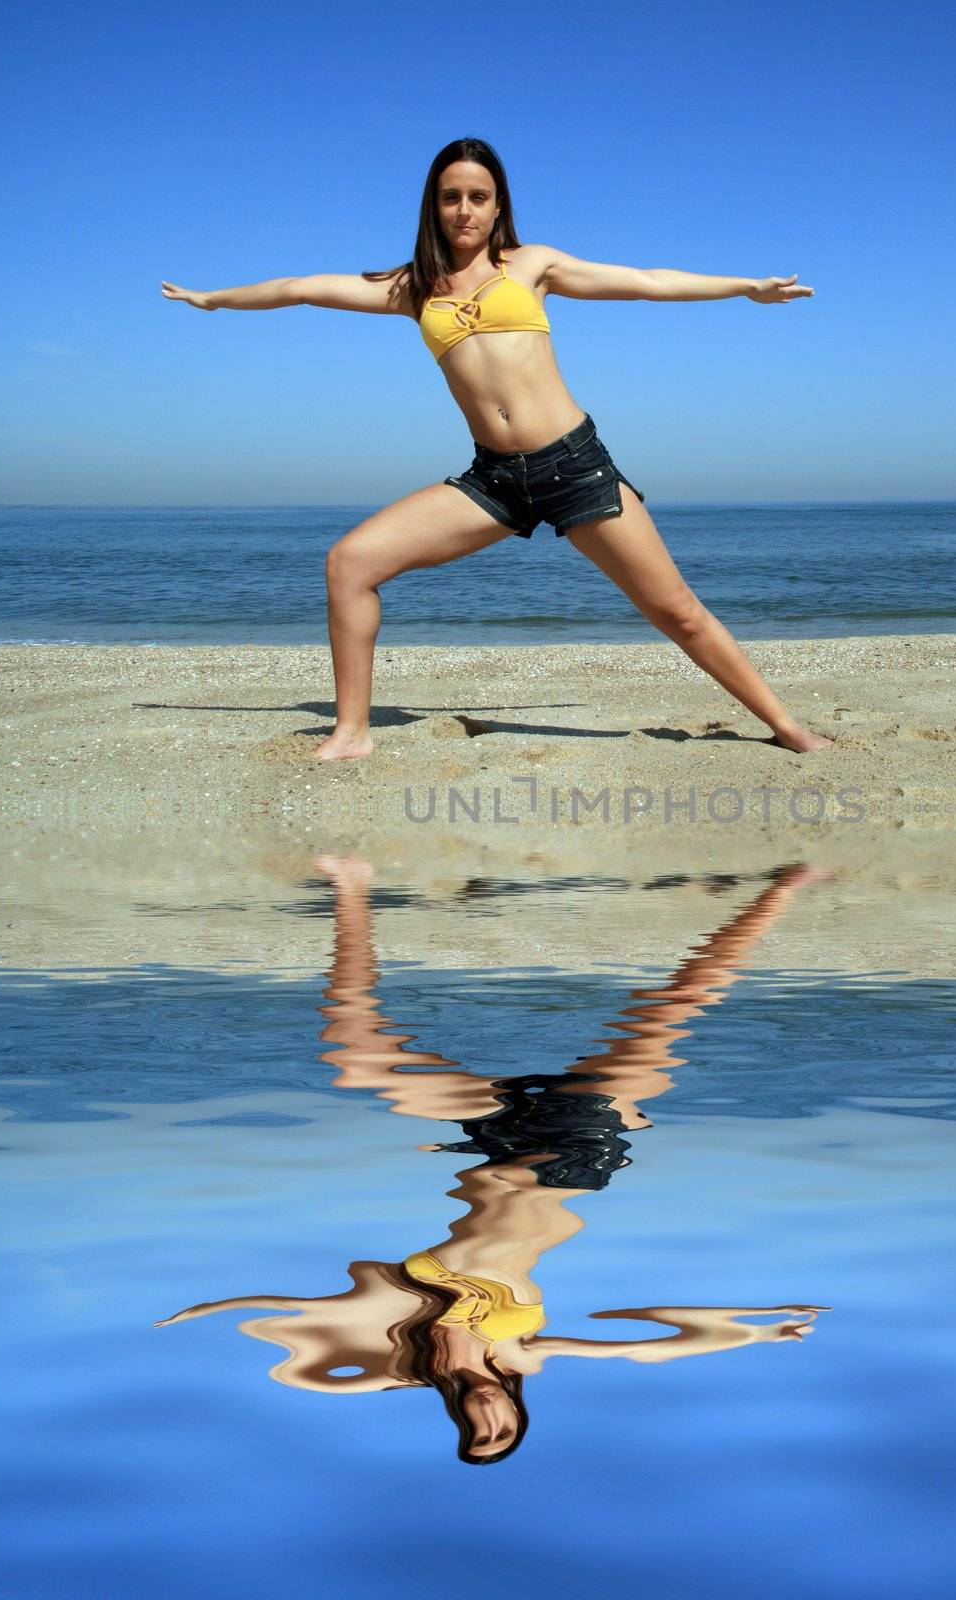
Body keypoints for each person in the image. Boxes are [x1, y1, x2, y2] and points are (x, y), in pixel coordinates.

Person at [160, 136, 834, 763]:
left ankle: (786, 726)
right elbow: (301, 289)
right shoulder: (413, 288)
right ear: (434, 205)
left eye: (478, 197)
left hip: (573, 464)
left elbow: (649, 280)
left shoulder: (531, 265)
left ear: (498, 204)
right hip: (495, 481)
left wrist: (744, 286)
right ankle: (352, 732)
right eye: (451, 196)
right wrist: (214, 300)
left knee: (676, 612)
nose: (464, 209)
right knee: (349, 563)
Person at [156, 856, 833, 1463]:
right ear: (517, 1416)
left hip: (495, 1147)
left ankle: (350, 887)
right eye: (501, 1433)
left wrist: (209, 1310)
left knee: (352, 1051)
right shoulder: (522, 1356)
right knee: (670, 1010)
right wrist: (754, 1333)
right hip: (574, 1153)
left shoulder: (405, 1340)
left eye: (476, 1435)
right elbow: (641, 1348)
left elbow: (298, 1369)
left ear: (456, 1422)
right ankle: (782, 889)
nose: (488, 1423)